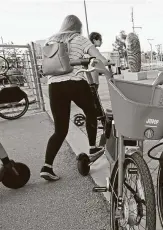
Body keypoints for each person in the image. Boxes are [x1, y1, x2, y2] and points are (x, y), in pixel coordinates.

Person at [41, 15, 112, 181]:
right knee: (91, 112)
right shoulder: (79, 39)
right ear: (78, 27)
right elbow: (99, 58)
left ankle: (47, 166)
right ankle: (93, 148)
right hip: (75, 82)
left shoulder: (50, 40)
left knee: (60, 129)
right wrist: (105, 63)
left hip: (54, 86)